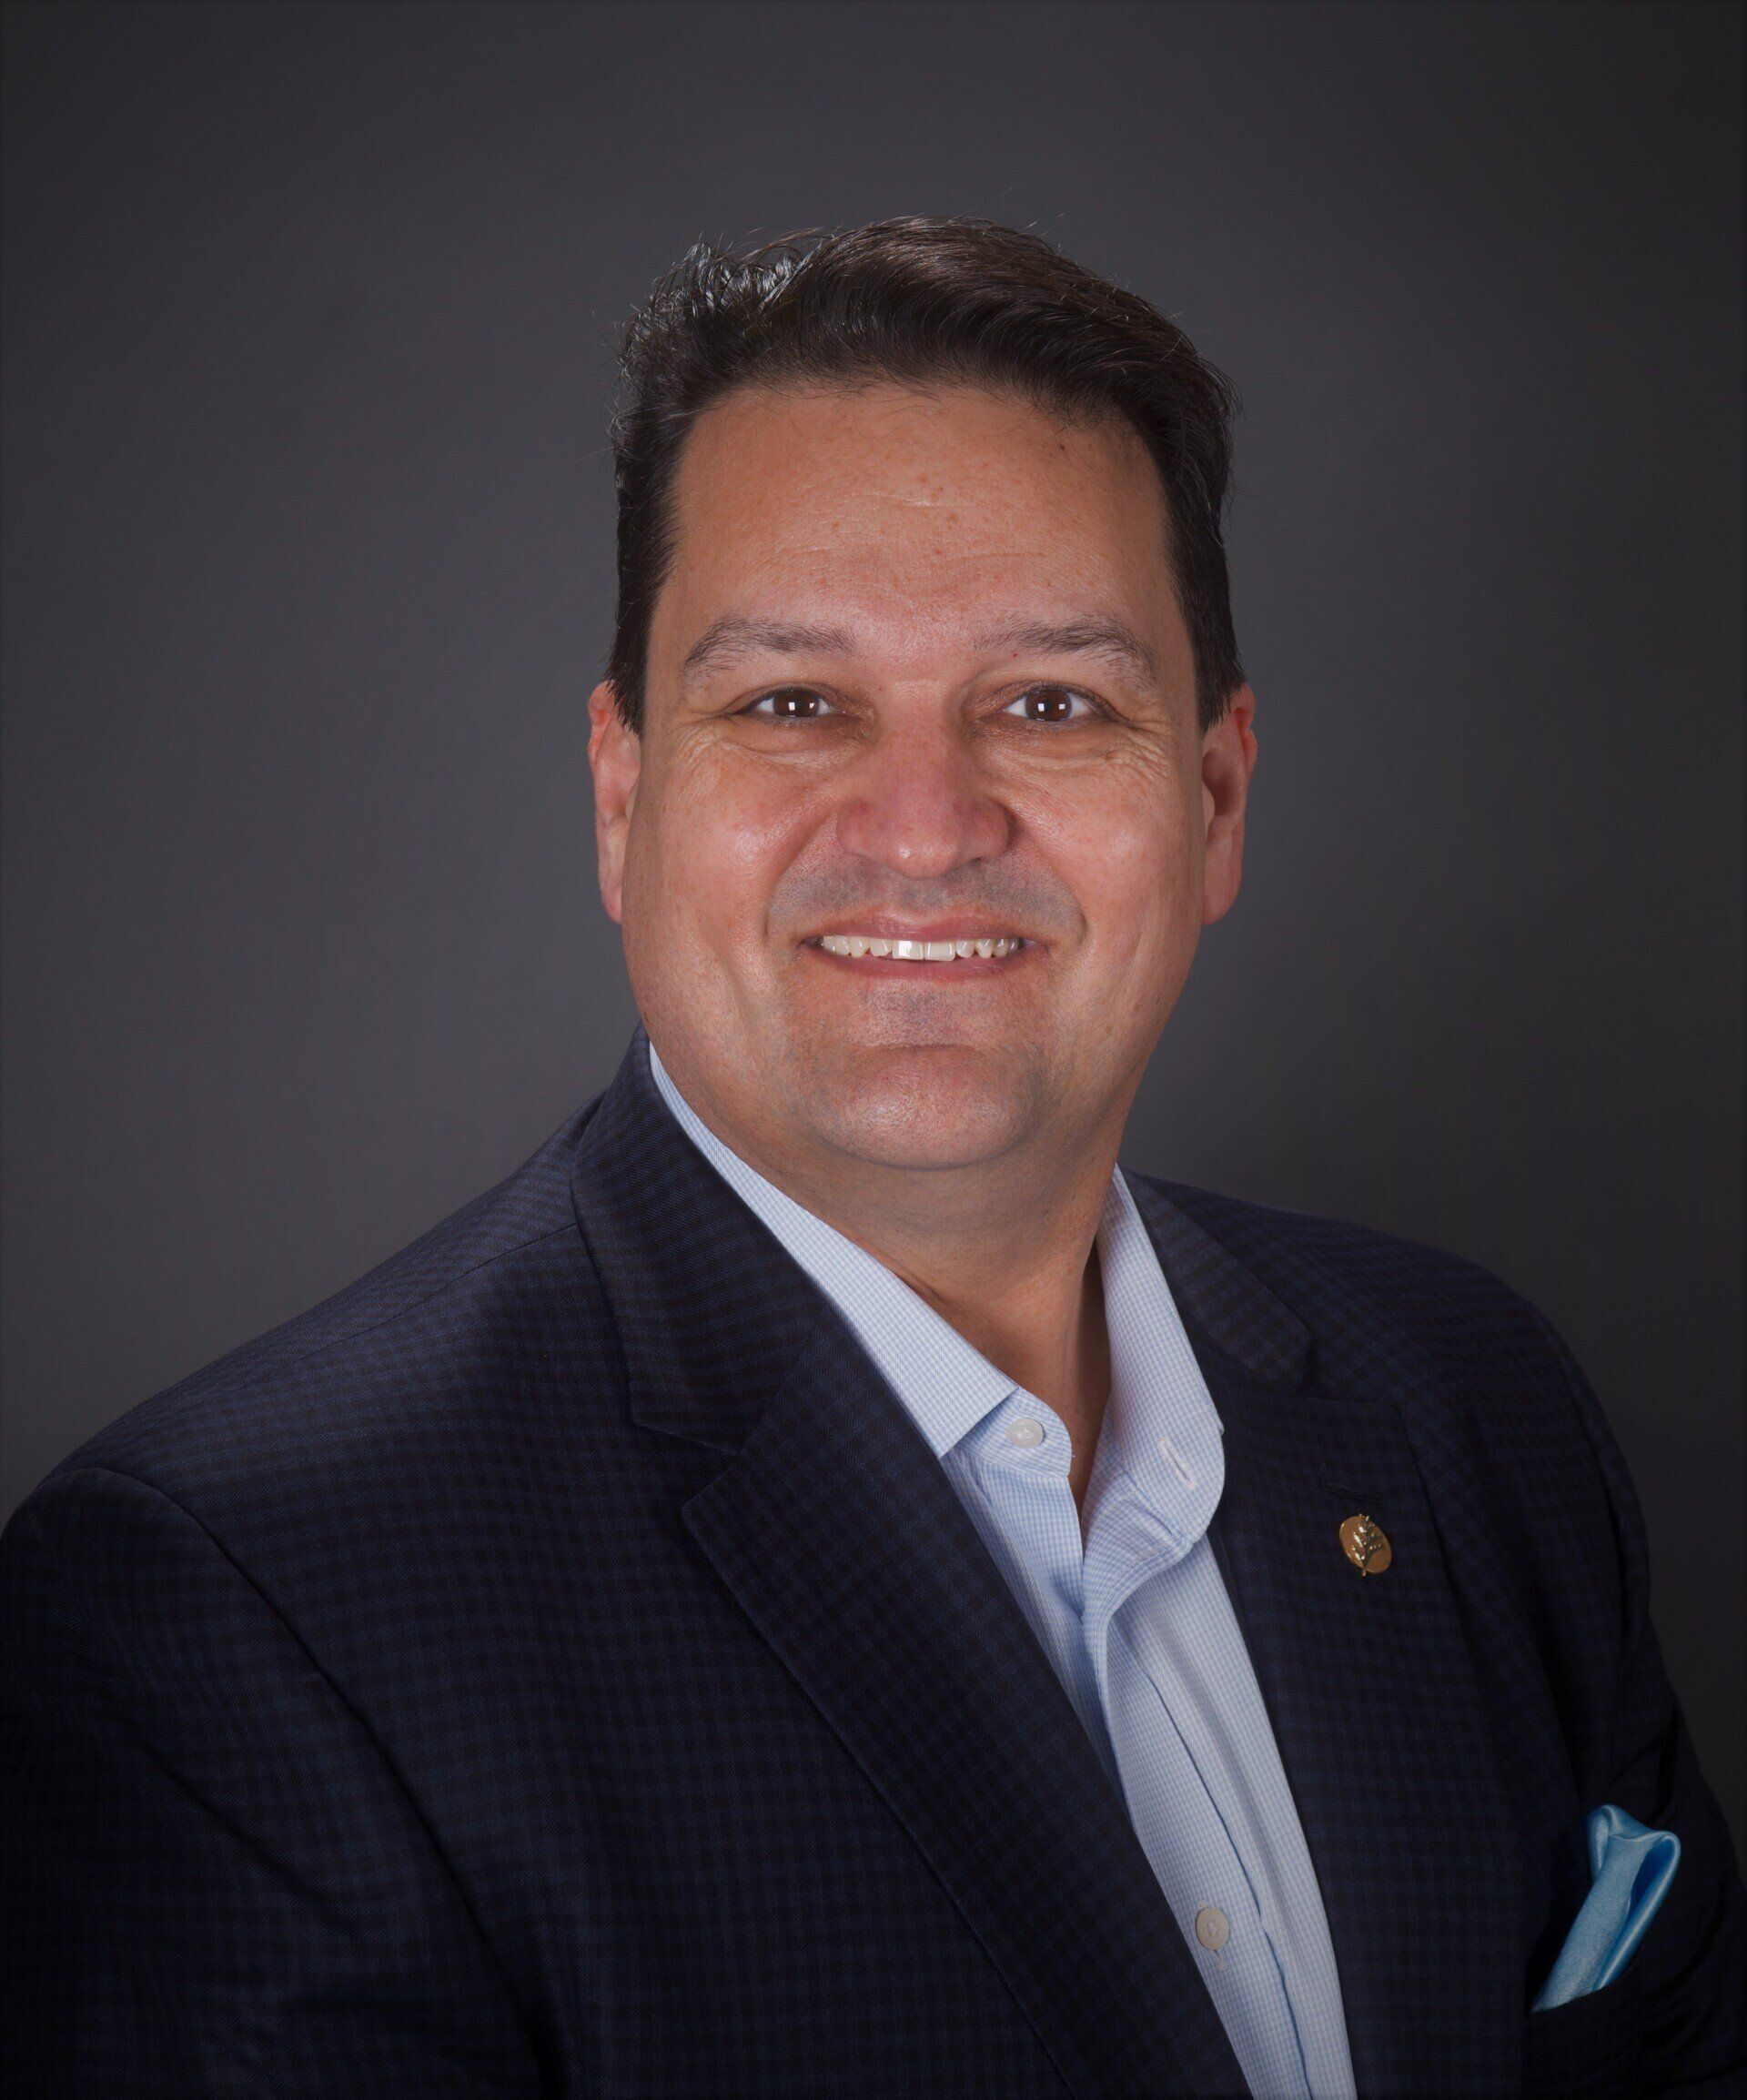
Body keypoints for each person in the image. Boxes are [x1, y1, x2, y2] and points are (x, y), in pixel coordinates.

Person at [2, 216, 1741, 2100]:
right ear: (623, 792)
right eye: (794, 703)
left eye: (1055, 702)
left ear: (1218, 798)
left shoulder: (1471, 1405)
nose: (923, 826)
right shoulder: (249, 1605)